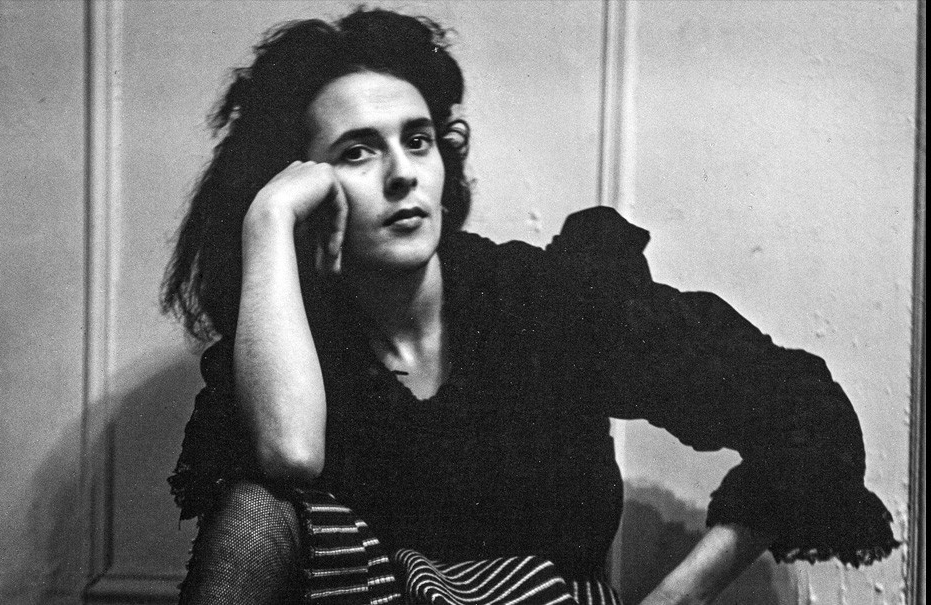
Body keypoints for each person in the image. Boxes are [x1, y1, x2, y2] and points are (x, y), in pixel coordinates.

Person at [161, 8, 900, 604]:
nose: (401, 175)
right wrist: (267, 223)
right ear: (308, 186)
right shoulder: (294, 346)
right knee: (257, 503)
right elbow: (288, 458)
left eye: (418, 141)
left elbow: (802, 409)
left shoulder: (542, 303)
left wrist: (678, 596)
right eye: (357, 152)